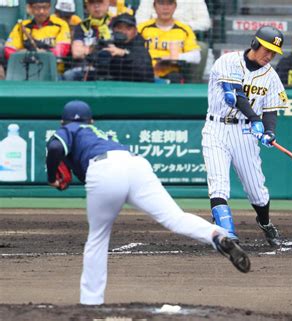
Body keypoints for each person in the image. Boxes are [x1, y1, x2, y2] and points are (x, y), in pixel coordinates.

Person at [46, 100, 251, 305]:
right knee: (175, 218)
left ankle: (91, 302)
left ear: (62, 121)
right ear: (91, 120)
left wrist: (50, 176)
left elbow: (55, 147)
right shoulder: (101, 134)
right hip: (135, 164)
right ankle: (215, 235)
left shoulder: (69, 129)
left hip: (103, 169)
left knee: (97, 238)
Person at [202, 26, 288, 246]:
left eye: (273, 52)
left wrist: (269, 131)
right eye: (266, 50)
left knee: (256, 190)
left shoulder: (270, 75)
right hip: (217, 128)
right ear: (254, 44)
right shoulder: (228, 61)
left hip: (244, 133)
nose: (269, 56)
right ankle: (226, 232)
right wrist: (255, 119)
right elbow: (234, 96)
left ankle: (266, 224)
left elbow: (270, 109)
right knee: (218, 184)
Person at [138, 0, 201, 83]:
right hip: (144, 73)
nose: (165, 8)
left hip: (172, 75)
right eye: (161, 3)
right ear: (154, 6)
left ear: (175, 6)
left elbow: (196, 56)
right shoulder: (142, 28)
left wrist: (172, 57)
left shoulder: (184, 29)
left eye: (169, 3)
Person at [95, 13, 154, 82]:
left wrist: (124, 53)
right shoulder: (108, 43)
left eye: (128, 29)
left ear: (135, 31)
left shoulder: (139, 45)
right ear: (113, 29)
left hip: (136, 87)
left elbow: (146, 72)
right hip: (112, 86)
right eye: (119, 28)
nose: (123, 32)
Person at [4, 0, 71, 60]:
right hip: (26, 68)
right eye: (37, 7)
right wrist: (29, 55)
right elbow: (9, 51)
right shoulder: (21, 26)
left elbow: (61, 51)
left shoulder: (61, 25)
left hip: (54, 70)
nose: (41, 11)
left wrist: (43, 54)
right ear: (29, 8)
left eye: (45, 7)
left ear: (50, 7)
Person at [63, 0, 112, 81]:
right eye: (92, 3)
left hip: (111, 69)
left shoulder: (116, 24)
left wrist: (86, 49)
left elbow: (117, 50)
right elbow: (77, 52)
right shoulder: (82, 26)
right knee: (69, 75)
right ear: (87, 6)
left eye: (100, 2)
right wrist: (94, 48)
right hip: (85, 68)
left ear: (107, 3)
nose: (96, 6)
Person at [135, 0, 211, 32]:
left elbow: (205, 22)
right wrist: (160, 26)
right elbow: (139, 21)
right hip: (153, 37)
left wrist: (176, 27)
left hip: (183, 37)